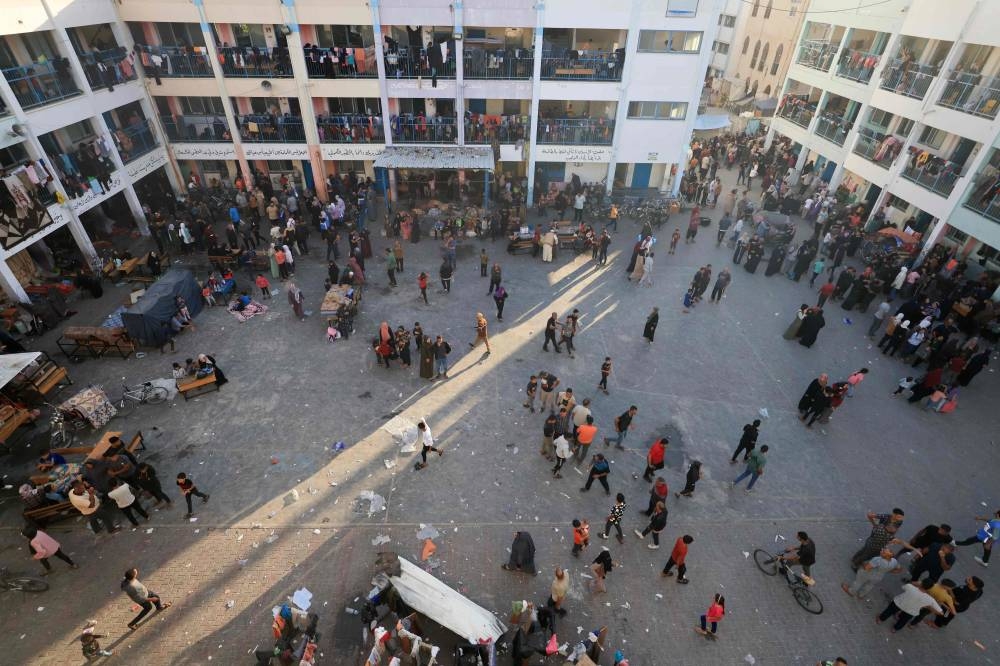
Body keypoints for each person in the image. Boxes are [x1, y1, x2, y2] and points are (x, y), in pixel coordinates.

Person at [876, 579, 942, 632]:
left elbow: (903, 587)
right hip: (911, 611)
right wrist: (928, 607)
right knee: (903, 620)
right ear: (929, 588)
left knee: (889, 611)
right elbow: (940, 612)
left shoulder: (909, 586)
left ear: (921, 583)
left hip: (899, 603)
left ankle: (880, 620)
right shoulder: (930, 599)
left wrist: (916, 583)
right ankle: (895, 629)